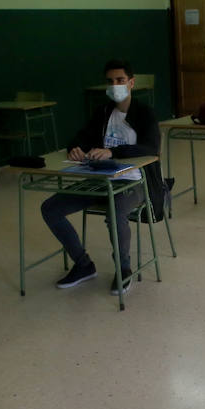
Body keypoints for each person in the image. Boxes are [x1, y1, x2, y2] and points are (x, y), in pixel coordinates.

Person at [42, 59, 162, 296]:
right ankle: (83, 265)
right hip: (100, 178)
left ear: (131, 83)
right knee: (50, 208)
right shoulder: (103, 111)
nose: (115, 85)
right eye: (110, 81)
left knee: (115, 211)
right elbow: (81, 136)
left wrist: (113, 152)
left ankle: (124, 269)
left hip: (134, 181)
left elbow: (151, 148)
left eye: (120, 80)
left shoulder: (145, 113)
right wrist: (75, 147)